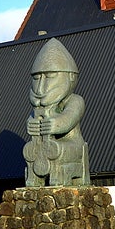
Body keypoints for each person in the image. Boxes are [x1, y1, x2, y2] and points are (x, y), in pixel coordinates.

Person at [23, 39, 90, 187]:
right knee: (29, 150)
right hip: (42, 147)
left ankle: (59, 177)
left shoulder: (75, 100)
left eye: (50, 76)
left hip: (72, 144)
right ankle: (33, 179)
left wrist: (56, 124)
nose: (40, 87)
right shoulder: (38, 108)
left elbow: (68, 119)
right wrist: (31, 124)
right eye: (36, 78)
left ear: (71, 76)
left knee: (58, 150)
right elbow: (32, 119)